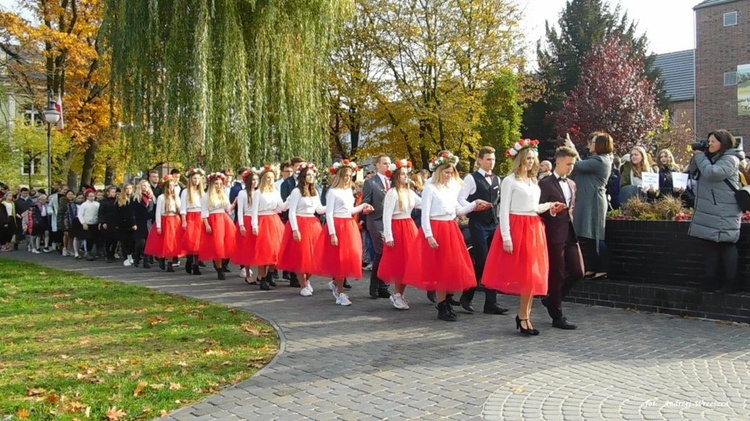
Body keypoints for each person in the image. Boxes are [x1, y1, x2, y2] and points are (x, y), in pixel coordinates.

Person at [483, 139, 564, 335]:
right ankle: (523, 316)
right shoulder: (510, 180)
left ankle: (525, 316)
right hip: (517, 227)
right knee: (525, 275)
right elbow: (503, 211)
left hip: (533, 227)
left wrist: (550, 206)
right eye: (528, 158)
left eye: (533, 158)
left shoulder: (533, 181)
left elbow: (535, 208)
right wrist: (506, 237)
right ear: (520, 158)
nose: (531, 162)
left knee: (532, 276)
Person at [404, 151, 490, 321]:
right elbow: (425, 214)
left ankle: (447, 301)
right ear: (439, 171)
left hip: (451, 227)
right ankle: (442, 304)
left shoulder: (451, 188)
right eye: (446, 172)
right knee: (441, 267)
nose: (450, 175)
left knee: (452, 265)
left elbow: (458, 209)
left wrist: (474, 204)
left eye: (452, 173)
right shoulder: (430, 188)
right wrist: (429, 235)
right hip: (437, 228)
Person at [688, 129, 745, 294]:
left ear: (723, 143)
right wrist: (698, 156)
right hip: (711, 209)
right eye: (709, 141)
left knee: (727, 244)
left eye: (713, 141)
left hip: (725, 209)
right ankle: (710, 281)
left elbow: (713, 174)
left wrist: (700, 157)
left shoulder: (731, 159)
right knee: (710, 245)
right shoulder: (709, 157)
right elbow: (695, 172)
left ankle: (731, 283)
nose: (710, 144)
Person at [457, 146, 509, 315]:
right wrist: (473, 206)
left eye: (493, 159)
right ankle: (467, 294)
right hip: (477, 224)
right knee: (482, 262)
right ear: (479, 160)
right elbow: (460, 199)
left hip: (493, 224)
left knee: (492, 263)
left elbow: (500, 202)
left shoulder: (498, 179)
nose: (491, 162)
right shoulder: (471, 178)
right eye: (488, 159)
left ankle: (490, 303)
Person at [314, 160, 374, 306]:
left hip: (349, 225)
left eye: (349, 175)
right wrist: (333, 234)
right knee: (339, 260)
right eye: (345, 175)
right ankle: (340, 292)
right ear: (339, 176)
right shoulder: (333, 192)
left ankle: (336, 284)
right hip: (337, 225)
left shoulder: (349, 191)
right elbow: (329, 213)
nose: (347, 178)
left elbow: (350, 210)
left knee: (350, 257)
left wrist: (362, 206)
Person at [538, 146, 585, 330]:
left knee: (578, 271)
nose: (571, 168)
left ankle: (551, 299)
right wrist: (551, 209)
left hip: (570, 232)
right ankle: (557, 315)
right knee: (556, 274)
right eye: (568, 164)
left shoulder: (572, 184)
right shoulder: (545, 184)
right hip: (553, 233)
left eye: (573, 164)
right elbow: (538, 208)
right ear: (558, 161)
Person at [378, 159, 421, 310]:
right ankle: (397, 294)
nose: (405, 177)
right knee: (399, 262)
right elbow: (386, 216)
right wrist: (388, 236)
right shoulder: (392, 193)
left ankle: (400, 294)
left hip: (409, 227)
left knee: (408, 262)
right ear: (396, 176)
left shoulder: (409, 192)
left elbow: (421, 203)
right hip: (398, 228)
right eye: (402, 174)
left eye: (406, 174)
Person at [277, 163, 326, 296]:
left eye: (313, 174)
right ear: (303, 176)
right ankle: (303, 284)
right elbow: (291, 212)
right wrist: (295, 229)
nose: (311, 177)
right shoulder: (296, 191)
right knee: (301, 255)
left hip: (313, 224)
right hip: (299, 223)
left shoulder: (314, 191)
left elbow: (319, 209)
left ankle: (307, 280)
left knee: (315, 256)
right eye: (309, 175)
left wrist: (333, 207)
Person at [571, 132, 614, 280]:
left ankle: (602, 268)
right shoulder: (595, 160)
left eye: (593, 142)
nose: (590, 144)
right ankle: (590, 267)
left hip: (593, 201)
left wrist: (572, 149)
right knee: (585, 234)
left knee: (595, 235)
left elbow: (577, 165)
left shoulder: (600, 161)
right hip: (586, 200)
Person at [247, 165, 288, 289]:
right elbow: (254, 211)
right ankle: (262, 278)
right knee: (264, 251)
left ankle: (270, 274)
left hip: (274, 220)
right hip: (263, 220)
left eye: (272, 177)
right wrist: (254, 225)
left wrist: (290, 200)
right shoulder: (258, 193)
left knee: (276, 250)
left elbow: (282, 207)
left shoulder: (275, 192)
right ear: (263, 178)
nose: (270, 180)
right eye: (268, 177)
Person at [363, 154, 393, 299]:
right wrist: (366, 207)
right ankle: (374, 286)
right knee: (381, 252)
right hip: (376, 220)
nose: (388, 166)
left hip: (391, 221)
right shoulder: (371, 182)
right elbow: (366, 200)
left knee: (389, 253)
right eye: (385, 163)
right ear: (378, 165)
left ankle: (384, 286)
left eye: (389, 163)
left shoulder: (393, 181)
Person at [200, 172, 237, 280]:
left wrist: (234, 203)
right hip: (213, 220)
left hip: (224, 219)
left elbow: (228, 209)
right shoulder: (206, 196)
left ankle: (223, 264)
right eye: (216, 183)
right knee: (217, 245)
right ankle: (219, 268)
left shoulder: (223, 194)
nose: (219, 186)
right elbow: (204, 212)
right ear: (211, 184)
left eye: (220, 184)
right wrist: (207, 225)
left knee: (227, 242)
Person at [145, 177, 184, 272]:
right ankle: (162, 258)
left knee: (172, 242)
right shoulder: (161, 197)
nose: (171, 188)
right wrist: (158, 225)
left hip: (175, 219)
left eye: (173, 186)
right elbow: (158, 212)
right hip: (165, 219)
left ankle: (170, 263)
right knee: (164, 241)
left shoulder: (176, 197)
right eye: (169, 186)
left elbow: (180, 209)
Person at [232, 168, 259, 285]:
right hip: (247, 219)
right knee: (247, 247)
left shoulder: (259, 192)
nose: (255, 182)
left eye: (257, 180)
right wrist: (241, 225)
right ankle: (248, 273)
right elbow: (240, 211)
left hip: (258, 219)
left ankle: (261, 273)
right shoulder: (242, 193)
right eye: (252, 180)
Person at [180, 168, 206, 275]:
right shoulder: (186, 192)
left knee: (199, 242)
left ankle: (196, 264)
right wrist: (184, 220)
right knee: (191, 240)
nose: (196, 180)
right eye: (194, 178)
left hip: (200, 216)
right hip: (190, 216)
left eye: (198, 179)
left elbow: (205, 207)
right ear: (190, 179)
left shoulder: (202, 192)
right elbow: (182, 208)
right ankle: (189, 260)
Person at [130, 180, 156, 268]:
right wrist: (133, 223)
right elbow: (132, 212)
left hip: (149, 223)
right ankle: (137, 257)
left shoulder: (152, 198)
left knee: (148, 243)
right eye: (143, 185)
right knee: (140, 243)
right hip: (139, 222)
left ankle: (146, 261)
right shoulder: (135, 198)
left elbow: (154, 210)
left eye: (146, 185)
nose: (144, 187)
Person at [97, 186, 119, 262]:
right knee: (107, 240)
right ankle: (108, 254)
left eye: (114, 192)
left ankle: (113, 253)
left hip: (115, 222)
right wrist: (103, 222)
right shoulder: (104, 202)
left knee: (115, 240)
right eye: (112, 192)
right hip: (107, 222)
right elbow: (101, 213)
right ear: (108, 193)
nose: (114, 194)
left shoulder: (117, 201)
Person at [78, 189, 100, 261]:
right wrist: (83, 223)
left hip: (95, 224)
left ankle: (95, 252)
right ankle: (88, 252)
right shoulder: (84, 205)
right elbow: (80, 215)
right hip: (87, 224)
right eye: (90, 196)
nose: (92, 197)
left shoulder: (97, 204)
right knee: (89, 239)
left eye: (93, 196)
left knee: (95, 238)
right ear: (87, 197)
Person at [117, 183, 135, 266]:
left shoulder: (134, 199)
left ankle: (130, 255)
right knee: (125, 242)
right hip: (123, 224)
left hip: (133, 224)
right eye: (127, 188)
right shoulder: (121, 200)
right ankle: (125, 257)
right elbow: (119, 213)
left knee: (131, 241)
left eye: (130, 188)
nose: (128, 190)